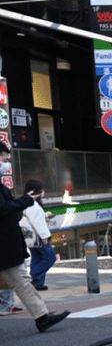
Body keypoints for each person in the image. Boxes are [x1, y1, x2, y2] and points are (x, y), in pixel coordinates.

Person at [0, 142, 69, 332]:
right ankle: (42, 317)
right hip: (4, 247)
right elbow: (3, 208)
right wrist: (26, 201)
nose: (6, 163)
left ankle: (42, 316)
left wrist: (19, 207)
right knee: (22, 282)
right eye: (4, 158)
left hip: (8, 246)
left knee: (22, 281)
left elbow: (9, 210)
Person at [19, 179, 56, 291]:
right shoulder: (33, 205)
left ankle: (38, 283)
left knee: (37, 258)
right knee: (50, 258)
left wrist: (45, 215)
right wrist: (45, 237)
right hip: (38, 237)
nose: (43, 192)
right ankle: (34, 278)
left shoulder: (25, 201)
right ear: (36, 191)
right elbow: (37, 222)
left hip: (29, 237)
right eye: (41, 190)